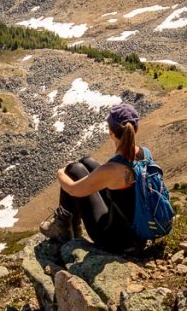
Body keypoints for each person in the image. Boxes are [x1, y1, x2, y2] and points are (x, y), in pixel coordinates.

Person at [40, 103, 144, 252]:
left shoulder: (112, 169)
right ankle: (70, 224)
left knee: (73, 170)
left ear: (111, 132)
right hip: (137, 232)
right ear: (135, 129)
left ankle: (63, 226)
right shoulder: (144, 154)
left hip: (114, 240)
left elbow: (73, 189)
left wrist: (61, 173)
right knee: (86, 161)